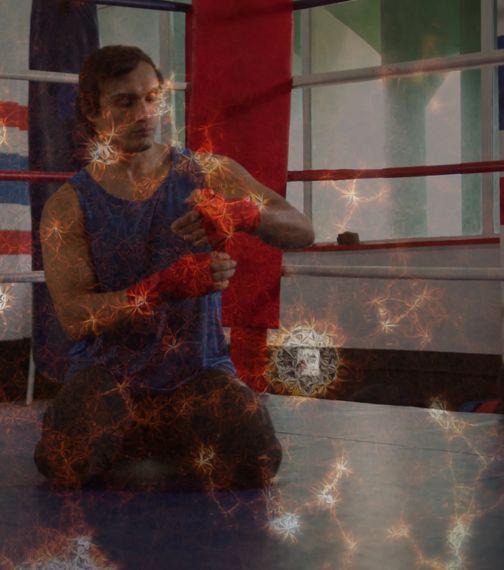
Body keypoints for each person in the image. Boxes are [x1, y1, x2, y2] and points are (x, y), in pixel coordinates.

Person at [33, 46, 315, 490]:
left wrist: (245, 215)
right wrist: (162, 288)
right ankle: (133, 433)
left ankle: (165, 436)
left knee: (255, 462)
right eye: (125, 102)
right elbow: (73, 317)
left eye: (151, 97)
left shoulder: (208, 173)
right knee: (65, 465)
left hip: (195, 373)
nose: (144, 113)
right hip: (110, 377)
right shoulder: (69, 206)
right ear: (92, 110)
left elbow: (302, 229)